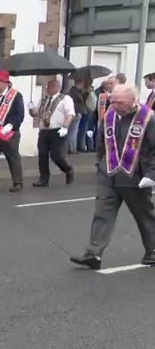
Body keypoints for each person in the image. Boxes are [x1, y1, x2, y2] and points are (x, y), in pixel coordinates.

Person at [70, 85, 155, 269]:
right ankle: (93, 254)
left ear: (133, 101)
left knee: (144, 215)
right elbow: (102, 141)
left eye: (120, 102)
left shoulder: (148, 118)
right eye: (113, 101)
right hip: (108, 173)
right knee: (102, 213)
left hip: (136, 177)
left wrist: (151, 174)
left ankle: (153, 251)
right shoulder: (109, 115)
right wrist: (99, 163)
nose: (115, 105)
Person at [30, 77, 76, 187]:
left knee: (56, 155)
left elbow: (71, 114)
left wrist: (65, 127)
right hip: (44, 131)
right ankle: (44, 179)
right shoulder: (44, 100)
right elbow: (36, 114)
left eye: (50, 86)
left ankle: (68, 169)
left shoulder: (65, 99)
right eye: (47, 86)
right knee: (42, 155)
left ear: (57, 87)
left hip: (58, 130)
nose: (48, 88)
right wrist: (31, 109)